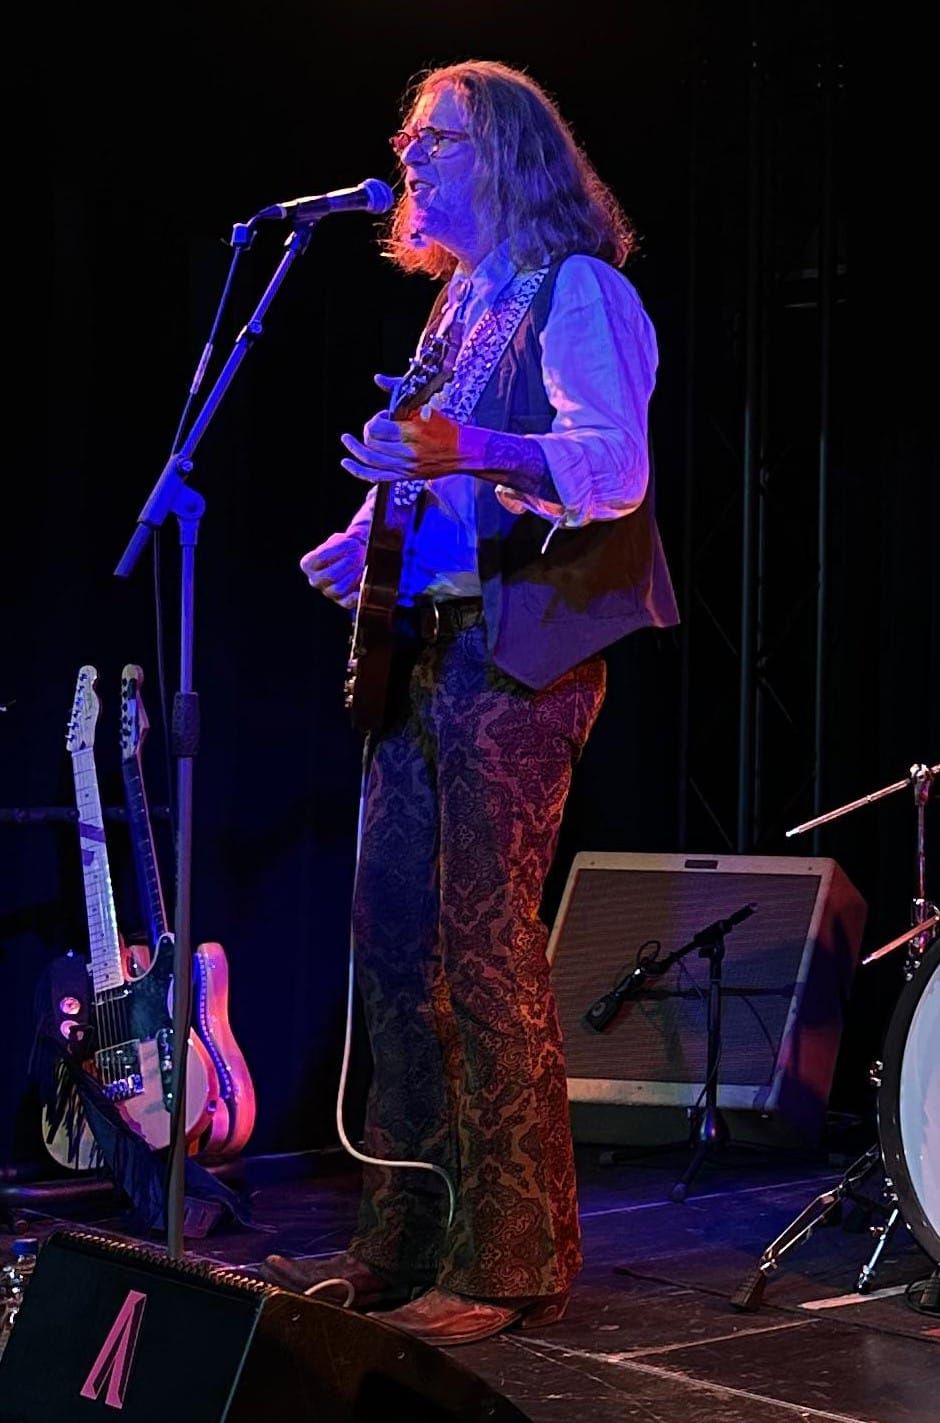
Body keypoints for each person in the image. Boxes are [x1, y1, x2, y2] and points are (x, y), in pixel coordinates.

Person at [261, 59, 679, 1346]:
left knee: (485, 948)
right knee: (397, 950)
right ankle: (401, 1238)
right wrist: (366, 538)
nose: (411, 157)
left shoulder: (576, 290)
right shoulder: (458, 304)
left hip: (517, 657)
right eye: (409, 139)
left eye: (437, 139)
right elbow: (432, 471)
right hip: (426, 644)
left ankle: (510, 1262)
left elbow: (612, 466)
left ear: (507, 153)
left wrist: (472, 448)